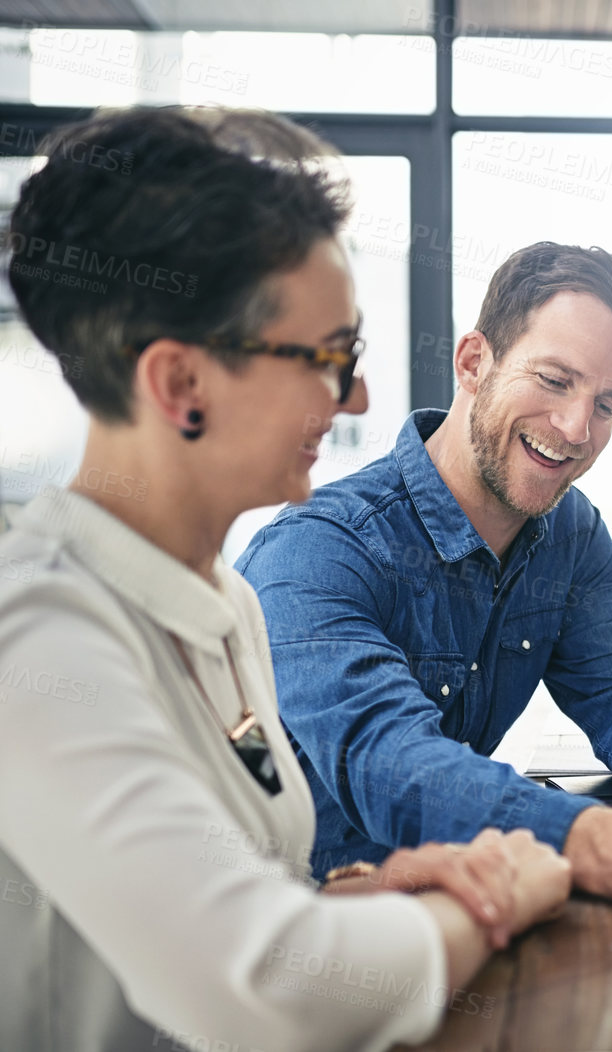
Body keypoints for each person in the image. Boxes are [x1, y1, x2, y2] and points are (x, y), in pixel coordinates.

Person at [0, 106, 572, 1052]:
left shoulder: (227, 607)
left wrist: (349, 896)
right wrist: (498, 897)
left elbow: (221, 909)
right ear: (181, 385)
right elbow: (271, 992)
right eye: (330, 358)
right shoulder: (37, 635)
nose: (359, 399)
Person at [236, 241, 612, 923]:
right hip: (300, 941)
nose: (574, 429)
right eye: (555, 381)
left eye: (607, 403)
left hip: (465, 911)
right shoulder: (317, 551)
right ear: (474, 362)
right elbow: (394, 768)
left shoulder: (567, 531)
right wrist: (603, 843)